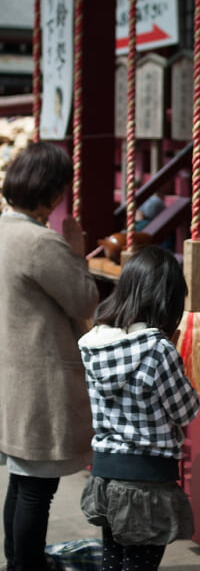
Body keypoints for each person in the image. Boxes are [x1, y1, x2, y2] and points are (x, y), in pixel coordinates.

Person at [0, 141, 99, 571]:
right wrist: (77, 255)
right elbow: (85, 301)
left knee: (22, 483)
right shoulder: (41, 243)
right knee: (37, 489)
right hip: (39, 382)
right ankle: (26, 566)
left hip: (12, 377)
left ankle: (16, 560)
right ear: (53, 192)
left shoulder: (4, 231)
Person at [79, 245, 199, 571]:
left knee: (113, 564)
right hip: (146, 479)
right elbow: (185, 411)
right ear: (167, 302)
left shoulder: (95, 343)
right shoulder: (158, 349)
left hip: (105, 474)